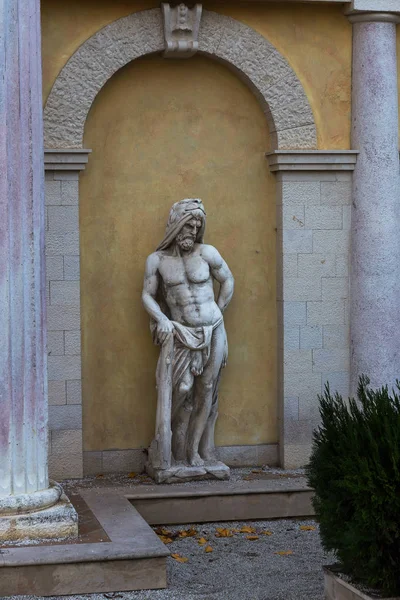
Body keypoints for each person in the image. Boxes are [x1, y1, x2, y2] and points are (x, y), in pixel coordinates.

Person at [142, 199, 234, 468]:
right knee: (181, 388)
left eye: (196, 226)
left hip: (213, 329)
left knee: (206, 389)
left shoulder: (207, 253)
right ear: (175, 226)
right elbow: (147, 295)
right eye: (188, 225)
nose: (192, 232)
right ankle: (166, 445)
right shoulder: (157, 261)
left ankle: (194, 453)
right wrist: (161, 318)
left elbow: (227, 279)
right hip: (181, 333)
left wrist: (217, 311)